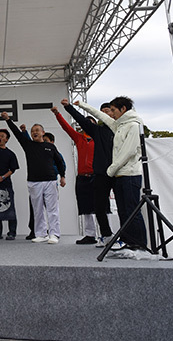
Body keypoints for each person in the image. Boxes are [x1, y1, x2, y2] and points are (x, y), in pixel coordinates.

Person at [76, 97, 147, 249]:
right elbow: (100, 116)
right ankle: (128, 242)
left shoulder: (133, 125)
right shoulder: (118, 125)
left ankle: (139, 244)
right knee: (123, 212)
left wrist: (111, 169)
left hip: (130, 175)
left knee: (132, 211)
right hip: (119, 175)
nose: (111, 114)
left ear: (123, 109)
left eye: (113, 110)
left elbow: (128, 151)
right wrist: (82, 105)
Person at [2, 111, 66, 244]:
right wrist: (8, 120)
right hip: (33, 182)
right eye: (32, 131)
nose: (34, 132)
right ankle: (41, 234)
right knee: (37, 210)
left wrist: (63, 176)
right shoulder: (28, 145)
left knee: (52, 209)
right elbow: (16, 133)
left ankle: (54, 234)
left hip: (50, 180)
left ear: (43, 133)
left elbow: (59, 162)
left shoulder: (50, 146)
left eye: (37, 130)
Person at [62, 99, 116, 247]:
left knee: (107, 207)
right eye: (102, 112)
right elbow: (74, 123)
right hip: (94, 176)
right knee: (91, 207)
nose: (105, 114)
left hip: (116, 173)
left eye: (108, 111)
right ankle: (101, 235)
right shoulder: (94, 133)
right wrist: (68, 107)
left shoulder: (120, 129)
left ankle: (118, 237)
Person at [51, 104, 98, 244]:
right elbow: (67, 128)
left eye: (91, 123)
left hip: (97, 176)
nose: (88, 125)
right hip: (83, 177)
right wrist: (57, 114)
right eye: (86, 123)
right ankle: (91, 235)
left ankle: (106, 235)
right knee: (86, 207)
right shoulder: (79, 138)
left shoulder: (99, 139)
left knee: (102, 207)